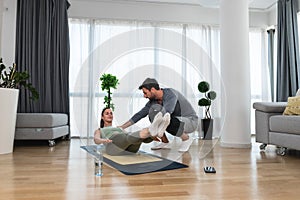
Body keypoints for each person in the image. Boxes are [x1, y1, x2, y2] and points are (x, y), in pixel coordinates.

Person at [120, 78, 198, 152]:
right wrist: (122, 127)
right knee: (153, 114)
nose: (144, 96)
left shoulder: (171, 93)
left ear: (153, 89)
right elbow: (140, 114)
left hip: (190, 121)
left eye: (145, 93)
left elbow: (168, 111)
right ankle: (165, 142)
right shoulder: (153, 101)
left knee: (166, 118)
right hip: (174, 120)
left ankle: (186, 139)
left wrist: (150, 130)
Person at [94, 107, 170, 156]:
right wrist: (103, 140)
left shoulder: (119, 128)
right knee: (127, 137)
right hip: (112, 147)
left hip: (130, 150)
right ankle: (153, 129)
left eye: (111, 113)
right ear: (102, 117)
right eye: (107, 114)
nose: (110, 115)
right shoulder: (100, 130)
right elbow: (96, 140)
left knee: (135, 137)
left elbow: (128, 135)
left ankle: (155, 132)